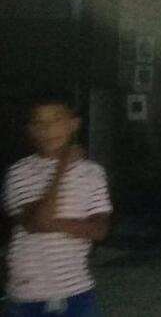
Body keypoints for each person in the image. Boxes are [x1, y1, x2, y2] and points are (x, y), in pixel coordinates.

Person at [3, 90, 112, 316]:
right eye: (39, 123)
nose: (48, 129)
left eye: (56, 120)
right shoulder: (20, 172)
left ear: (73, 124)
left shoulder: (92, 173)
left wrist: (52, 223)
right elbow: (36, 223)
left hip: (76, 290)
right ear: (30, 129)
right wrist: (62, 167)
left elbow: (99, 229)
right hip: (27, 292)